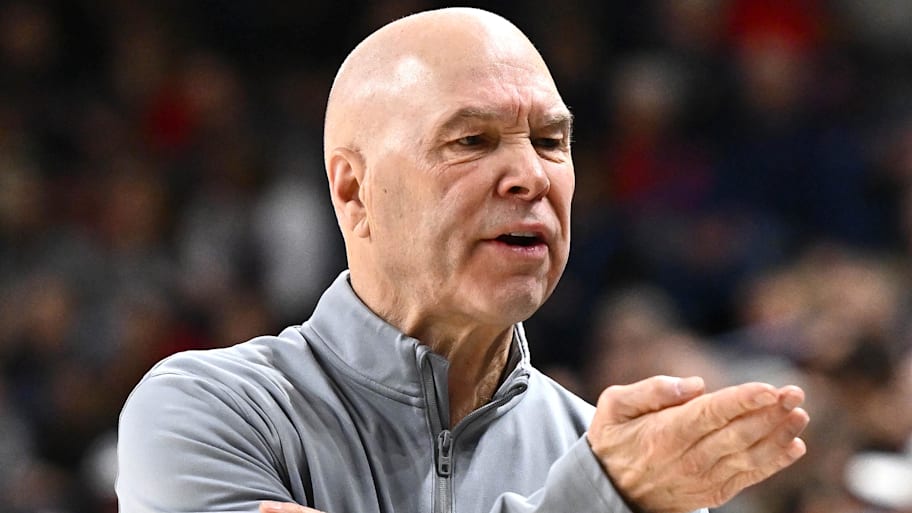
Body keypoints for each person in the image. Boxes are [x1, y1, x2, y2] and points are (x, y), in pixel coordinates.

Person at [116, 7, 809, 513]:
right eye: (472, 141)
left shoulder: (616, 457)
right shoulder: (207, 412)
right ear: (354, 191)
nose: (531, 176)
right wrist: (597, 498)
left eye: (550, 141)